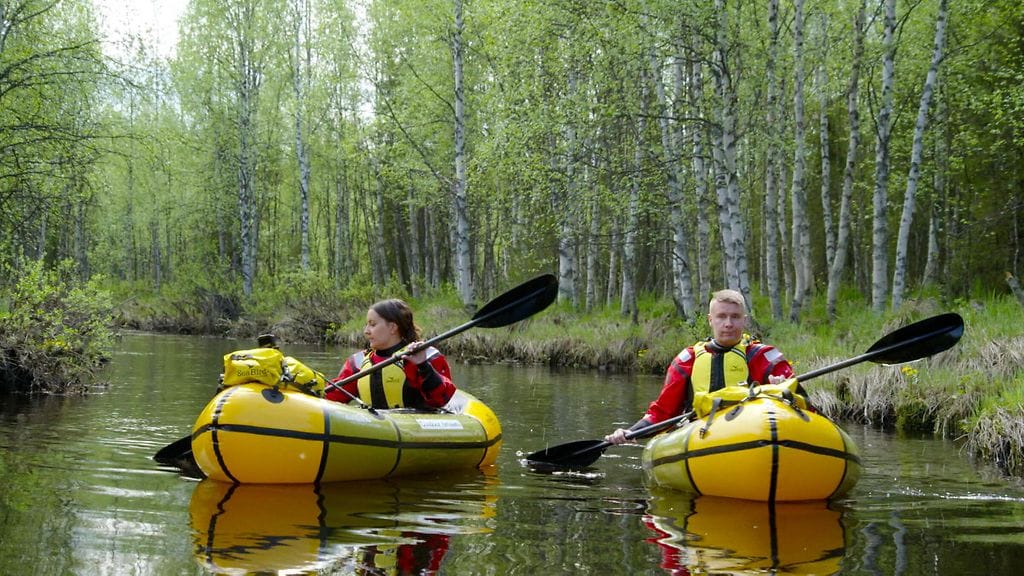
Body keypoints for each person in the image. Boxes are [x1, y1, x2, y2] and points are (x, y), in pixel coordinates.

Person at [605, 289, 795, 444]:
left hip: (752, 434)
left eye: (735, 317)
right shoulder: (687, 360)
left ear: (744, 320)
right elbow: (662, 413)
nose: (728, 324)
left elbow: (797, 401)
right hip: (699, 437)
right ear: (710, 320)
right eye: (721, 316)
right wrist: (630, 432)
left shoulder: (765, 357)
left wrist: (782, 390)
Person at [326, 299, 456, 409]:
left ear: (393, 327)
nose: (366, 331)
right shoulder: (358, 362)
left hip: (415, 429)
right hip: (372, 429)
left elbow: (441, 399)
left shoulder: (423, 356)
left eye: (373, 324)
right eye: (367, 325)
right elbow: (332, 397)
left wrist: (423, 366)